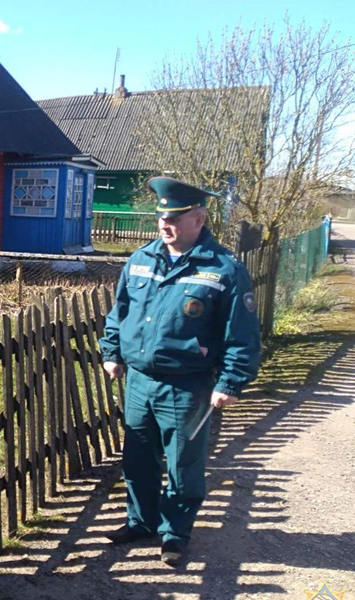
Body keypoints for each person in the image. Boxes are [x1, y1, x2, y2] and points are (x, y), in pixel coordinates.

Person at [99, 177, 261, 566]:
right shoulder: (140, 260)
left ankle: (175, 533)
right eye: (161, 218)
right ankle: (141, 521)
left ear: (199, 219)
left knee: (183, 463)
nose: (164, 225)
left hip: (187, 385)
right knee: (137, 458)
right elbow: (119, 314)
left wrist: (232, 381)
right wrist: (111, 352)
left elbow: (241, 332)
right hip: (139, 381)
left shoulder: (223, 270)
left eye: (174, 218)